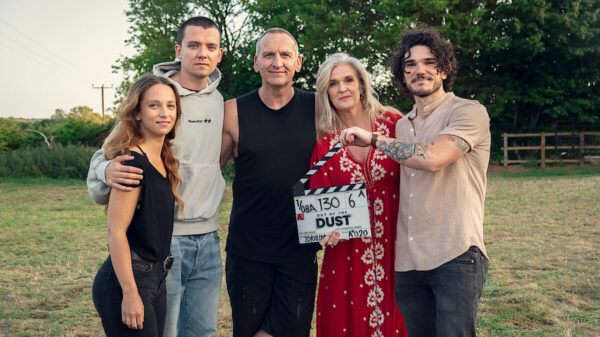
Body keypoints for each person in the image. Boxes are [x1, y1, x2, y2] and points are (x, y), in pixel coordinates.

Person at [341, 27, 490, 337]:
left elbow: (433, 158)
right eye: (410, 65)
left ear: (445, 69)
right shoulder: (401, 126)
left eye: (429, 62)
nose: (419, 70)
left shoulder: (468, 112)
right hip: (408, 263)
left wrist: (374, 140)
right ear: (402, 74)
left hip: (455, 254)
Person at [87, 17, 225, 337]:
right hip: (165, 242)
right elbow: (109, 153)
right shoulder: (153, 97)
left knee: (202, 331)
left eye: (210, 46)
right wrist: (105, 169)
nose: (202, 53)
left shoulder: (221, 104)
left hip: (209, 239)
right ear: (179, 50)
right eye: (193, 45)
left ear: (220, 54)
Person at [220, 28, 338, 337]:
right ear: (256, 62)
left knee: (291, 330)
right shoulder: (232, 112)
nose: (277, 62)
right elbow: (205, 170)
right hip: (248, 250)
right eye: (268, 55)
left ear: (298, 62)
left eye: (285, 55)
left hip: (299, 249)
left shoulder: (318, 108)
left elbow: (344, 161)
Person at [309, 53, 408, 337]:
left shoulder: (393, 123)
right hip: (347, 254)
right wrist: (323, 229)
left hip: (397, 246)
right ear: (325, 92)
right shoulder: (323, 141)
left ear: (362, 85)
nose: (342, 88)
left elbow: (417, 173)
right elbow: (318, 200)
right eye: (333, 83)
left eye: (348, 80)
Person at [91, 74, 183, 336]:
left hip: (157, 278)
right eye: (154, 105)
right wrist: (130, 294)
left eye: (170, 105)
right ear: (138, 113)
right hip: (129, 281)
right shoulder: (132, 164)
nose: (164, 112)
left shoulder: (164, 159)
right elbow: (115, 232)